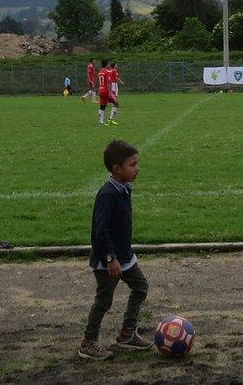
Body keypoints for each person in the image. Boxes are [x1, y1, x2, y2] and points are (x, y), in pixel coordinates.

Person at [78, 140, 152, 359]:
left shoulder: (124, 188)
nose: (137, 168)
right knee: (104, 301)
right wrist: (110, 258)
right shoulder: (108, 194)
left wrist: (121, 255)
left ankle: (127, 333)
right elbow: (100, 230)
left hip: (125, 256)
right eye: (132, 164)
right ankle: (88, 342)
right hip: (108, 260)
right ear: (116, 169)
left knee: (140, 287)